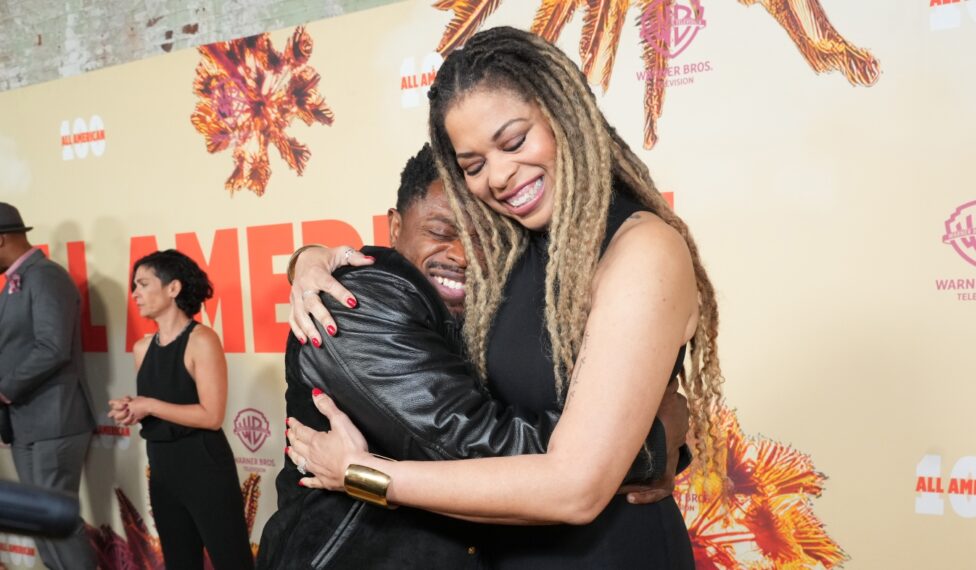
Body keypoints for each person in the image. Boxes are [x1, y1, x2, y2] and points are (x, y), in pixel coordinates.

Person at [286, 27, 724, 568]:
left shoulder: (641, 250)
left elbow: (575, 487)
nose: (498, 175)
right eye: (472, 165)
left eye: (513, 141)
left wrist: (362, 475)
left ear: (564, 116)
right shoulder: (511, 251)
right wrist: (307, 258)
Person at [258, 144, 690, 568]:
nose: (462, 255)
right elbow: (472, 449)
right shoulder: (353, 303)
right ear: (394, 226)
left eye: (481, 237)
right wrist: (645, 444)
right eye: (440, 231)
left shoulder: (485, 311)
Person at [108, 250, 253, 570]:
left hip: (204, 466)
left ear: (173, 288)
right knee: (178, 562)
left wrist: (150, 405)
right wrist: (133, 408)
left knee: (233, 561)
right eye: (134, 285)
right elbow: (159, 406)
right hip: (162, 469)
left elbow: (212, 416)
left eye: (143, 284)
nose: (135, 293)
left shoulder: (202, 340)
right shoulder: (142, 348)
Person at [0, 203, 97, 570]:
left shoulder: (45, 276)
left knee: (57, 523)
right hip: (27, 423)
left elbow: (52, 347)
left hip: (53, 421)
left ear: (2, 239)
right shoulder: (15, 282)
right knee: (42, 524)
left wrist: (4, 388)